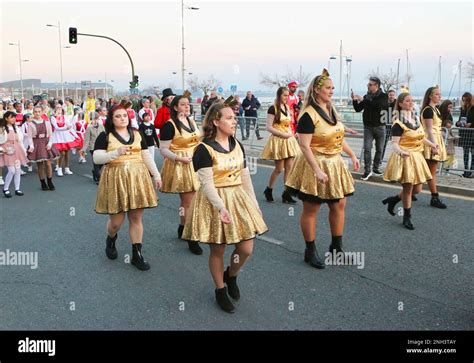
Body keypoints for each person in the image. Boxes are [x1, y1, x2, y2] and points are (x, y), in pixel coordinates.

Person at [182, 97, 268, 313]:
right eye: (229, 118)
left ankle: (231, 275)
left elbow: (245, 176)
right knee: (218, 250)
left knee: (246, 248)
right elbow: (207, 184)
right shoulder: (203, 149)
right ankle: (220, 289)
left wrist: (254, 203)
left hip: (238, 197)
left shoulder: (237, 144)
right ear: (216, 122)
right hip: (214, 201)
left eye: (234, 117)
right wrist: (221, 208)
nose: (234, 121)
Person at [285, 69, 359, 269]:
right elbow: (304, 145)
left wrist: (352, 155)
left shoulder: (331, 109)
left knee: (339, 204)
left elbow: (337, 136)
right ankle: (310, 250)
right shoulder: (308, 115)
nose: (332, 91)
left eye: (333, 88)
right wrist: (317, 170)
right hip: (314, 163)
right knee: (312, 208)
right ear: (317, 91)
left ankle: (337, 249)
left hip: (334, 163)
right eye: (328, 88)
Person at [93, 105, 162, 271]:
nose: (122, 118)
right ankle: (111, 238)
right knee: (116, 222)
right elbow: (97, 158)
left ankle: (137, 254)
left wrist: (156, 175)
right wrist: (115, 153)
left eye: (125, 115)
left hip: (138, 178)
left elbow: (146, 155)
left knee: (136, 218)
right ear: (112, 119)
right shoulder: (105, 136)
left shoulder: (137, 134)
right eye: (118, 116)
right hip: (115, 178)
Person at [383, 93, 438, 229]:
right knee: (408, 189)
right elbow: (394, 144)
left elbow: (420, 137)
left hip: (417, 156)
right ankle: (406, 218)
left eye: (412, 100)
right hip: (405, 157)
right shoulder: (398, 123)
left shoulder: (415, 118)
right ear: (400, 104)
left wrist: (432, 145)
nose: (410, 103)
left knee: (417, 189)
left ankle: (394, 199)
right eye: (407, 101)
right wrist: (401, 152)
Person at [159, 95, 202, 255]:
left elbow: (198, 141)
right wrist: (179, 158)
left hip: (195, 163)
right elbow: (163, 149)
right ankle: (191, 236)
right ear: (175, 107)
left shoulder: (191, 121)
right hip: (179, 164)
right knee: (188, 201)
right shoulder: (169, 125)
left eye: (187, 104)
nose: (186, 107)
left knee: (192, 200)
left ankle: (183, 226)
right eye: (182, 105)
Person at [261, 86, 299, 203]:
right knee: (279, 169)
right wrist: (283, 134)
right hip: (278, 140)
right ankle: (269, 189)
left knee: (289, 167)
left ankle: (286, 193)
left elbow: (288, 124)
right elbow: (269, 127)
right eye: (284, 95)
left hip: (288, 140)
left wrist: (293, 133)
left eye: (288, 95)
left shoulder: (287, 107)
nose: (286, 97)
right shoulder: (273, 108)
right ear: (279, 95)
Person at [352, 76, 388, 180]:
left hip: (380, 127)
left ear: (376, 86)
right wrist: (355, 100)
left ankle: (376, 168)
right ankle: (367, 170)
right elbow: (358, 109)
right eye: (368, 84)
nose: (368, 86)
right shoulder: (366, 96)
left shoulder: (383, 96)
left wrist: (363, 99)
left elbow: (377, 106)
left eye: (370, 84)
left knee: (379, 149)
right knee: (367, 149)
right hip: (368, 127)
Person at [420, 86, 448, 208]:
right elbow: (429, 130)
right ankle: (434, 197)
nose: (439, 96)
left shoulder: (435, 110)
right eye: (437, 94)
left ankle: (410, 190)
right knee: (431, 172)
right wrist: (434, 146)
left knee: (426, 170)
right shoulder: (428, 110)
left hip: (435, 140)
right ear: (430, 96)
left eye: (439, 94)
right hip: (431, 141)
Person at [27, 106, 59, 191]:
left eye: (39, 111)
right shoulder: (30, 124)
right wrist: (31, 145)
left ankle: (50, 181)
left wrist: (50, 142)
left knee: (48, 163)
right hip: (36, 143)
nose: (37, 113)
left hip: (46, 142)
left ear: (42, 112)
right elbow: (29, 137)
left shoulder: (47, 122)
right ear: (33, 113)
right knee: (40, 164)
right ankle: (42, 182)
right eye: (35, 112)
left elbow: (51, 134)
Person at [0, 111, 28, 197]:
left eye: (14, 117)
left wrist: (24, 151)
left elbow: (20, 141)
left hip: (17, 150)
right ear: (6, 118)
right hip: (7, 151)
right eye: (11, 117)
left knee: (18, 170)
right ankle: (5, 189)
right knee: (11, 170)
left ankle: (17, 189)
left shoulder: (16, 127)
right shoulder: (2, 128)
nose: (13, 119)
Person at [50, 105, 80, 176]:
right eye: (57, 108)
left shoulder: (64, 116)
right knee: (62, 153)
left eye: (60, 108)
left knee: (66, 152)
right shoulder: (53, 117)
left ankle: (67, 168)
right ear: (55, 109)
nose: (59, 109)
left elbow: (69, 124)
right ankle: (59, 168)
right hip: (58, 136)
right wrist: (66, 128)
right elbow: (56, 127)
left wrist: (71, 129)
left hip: (66, 135)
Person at [81, 111, 105, 184]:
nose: (95, 120)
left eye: (97, 119)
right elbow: (87, 140)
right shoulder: (89, 128)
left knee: (102, 163)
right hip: (93, 147)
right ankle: (99, 178)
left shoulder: (101, 126)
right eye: (94, 119)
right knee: (96, 163)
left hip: (102, 147)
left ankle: (95, 172)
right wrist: (83, 150)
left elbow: (105, 136)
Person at [456, 92, 473, 177]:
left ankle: (472, 171)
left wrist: (471, 124)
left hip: (472, 134)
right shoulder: (463, 109)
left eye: (466, 100)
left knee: (473, 153)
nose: (465, 102)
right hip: (464, 134)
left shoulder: (473, 108)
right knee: (465, 153)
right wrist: (458, 123)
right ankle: (466, 171)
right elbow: (459, 120)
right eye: (463, 100)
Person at [439, 100, 458, 171]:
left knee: (449, 152)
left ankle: (447, 168)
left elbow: (451, 124)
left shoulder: (449, 115)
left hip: (447, 134)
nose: (450, 109)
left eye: (451, 107)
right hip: (441, 134)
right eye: (449, 107)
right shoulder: (439, 113)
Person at [381, 89, 397, 161]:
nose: (391, 96)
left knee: (396, 143)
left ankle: (396, 160)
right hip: (386, 125)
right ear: (388, 96)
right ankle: (380, 160)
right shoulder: (384, 103)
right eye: (390, 95)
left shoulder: (397, 103)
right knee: (383, 143)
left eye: (393, 95)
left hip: (395, 125)